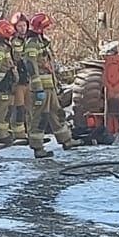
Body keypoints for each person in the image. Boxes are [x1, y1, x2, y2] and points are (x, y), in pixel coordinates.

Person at [27, 12, 73, 151]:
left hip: (50, 87)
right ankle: (38, 147)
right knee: (40, 116)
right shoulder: (31, 44)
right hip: (41, 88)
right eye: (45, 28)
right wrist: (37, 87)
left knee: (56, 113)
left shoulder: (43, 42)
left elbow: (49, 65)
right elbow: (31, 65)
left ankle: (66, 140)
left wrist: (55, 83)